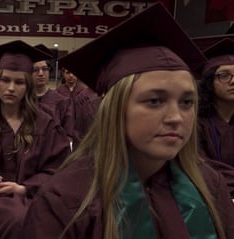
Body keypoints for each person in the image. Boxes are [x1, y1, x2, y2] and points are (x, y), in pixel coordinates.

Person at [24, 3, 234, 239]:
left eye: (186, 102)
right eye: (154, 101)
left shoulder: (209, 186)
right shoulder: (66, 200)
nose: (176, 118)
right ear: (115, 109)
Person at [0, 40, 71, 239]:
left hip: (36, 200)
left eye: (19, 82)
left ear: (28, 86)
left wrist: (23, 188)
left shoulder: (46, 125)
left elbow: (60, 171)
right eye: (5, 80)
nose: (11, 88)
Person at [198, 38, 234, 166]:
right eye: (224, 75)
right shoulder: (196, 124)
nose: (233, 81)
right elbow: (201, 168)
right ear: (209, 83)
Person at [32, 44, 76, 147]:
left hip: (53, 156)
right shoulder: (22, 100)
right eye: (36, 70)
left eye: (45, 69)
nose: (41, 73)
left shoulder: (62, 101)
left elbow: (68, 134)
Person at [56, 66, 100, 140]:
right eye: (68, 72)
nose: (71, 75)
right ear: (63, 74)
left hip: (80, 132)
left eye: (74, 72)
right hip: (63, 133)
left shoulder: (84, 92)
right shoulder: (58, 92)